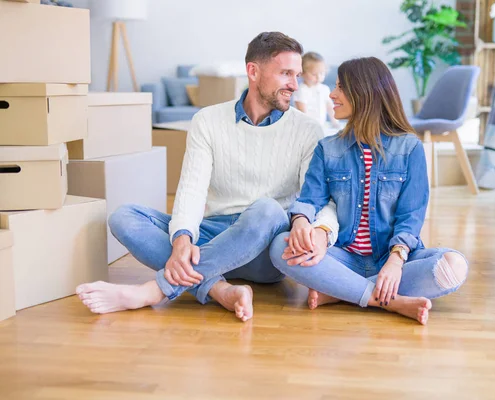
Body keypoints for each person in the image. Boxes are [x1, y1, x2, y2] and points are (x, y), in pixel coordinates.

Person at [76, 32, 339, 322]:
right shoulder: (208, 120)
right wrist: (182, 238)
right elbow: (191, 188)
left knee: (267, 208)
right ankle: (219, 289)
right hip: (214, 235)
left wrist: (322, 231)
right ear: (253, 71)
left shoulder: (308, 130)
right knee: (123, 217)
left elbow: (315, 197)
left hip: (266, 247)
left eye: (297, 75)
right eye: (286, 73)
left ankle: (155, 290)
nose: (294, 84)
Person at [269, 57, 469, 325]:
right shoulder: (327, 149)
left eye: (341, 87)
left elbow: (411, 216)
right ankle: (385, 299)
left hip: (393, 257)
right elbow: (309, 200)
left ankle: (343, 291)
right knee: (280, 248)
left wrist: (396, 261)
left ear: (364, 93)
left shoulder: (409, 148)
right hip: (342, 256)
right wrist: (301, 223)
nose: (332, 94)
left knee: (454, 266)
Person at [294, 52, 339, 128]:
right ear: (302, 73)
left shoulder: (325, 89)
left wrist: (335, 122)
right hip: (305, 126)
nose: (318, 77)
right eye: (314, 74)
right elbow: (301, 111)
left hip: (321, 124)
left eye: (322, 73)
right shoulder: (301, 90)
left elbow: (330, 107)